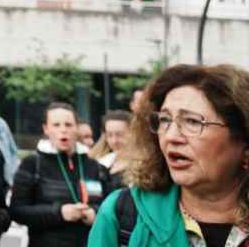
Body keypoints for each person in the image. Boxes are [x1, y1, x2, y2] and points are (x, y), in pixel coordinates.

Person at [89, 65, 249, 247]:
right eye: (165, 120)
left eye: (192, 122)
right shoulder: (122, 214)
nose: (171, 136)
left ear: (243, 139)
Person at [10, 101, 113, 247]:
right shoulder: (32, 164)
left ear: (77, 128)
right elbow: (17, 211)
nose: (63, 130)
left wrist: (95, 213)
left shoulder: (96, 167)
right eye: (56, 125)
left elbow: (112, 206)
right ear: (46, 129)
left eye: (69, 125)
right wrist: (59, 213)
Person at [89, 111, 133, 189]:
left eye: (120, 135)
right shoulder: (101, 163)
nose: (114, 141)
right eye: (109, 135)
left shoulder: (144, 166)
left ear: (133, 133)